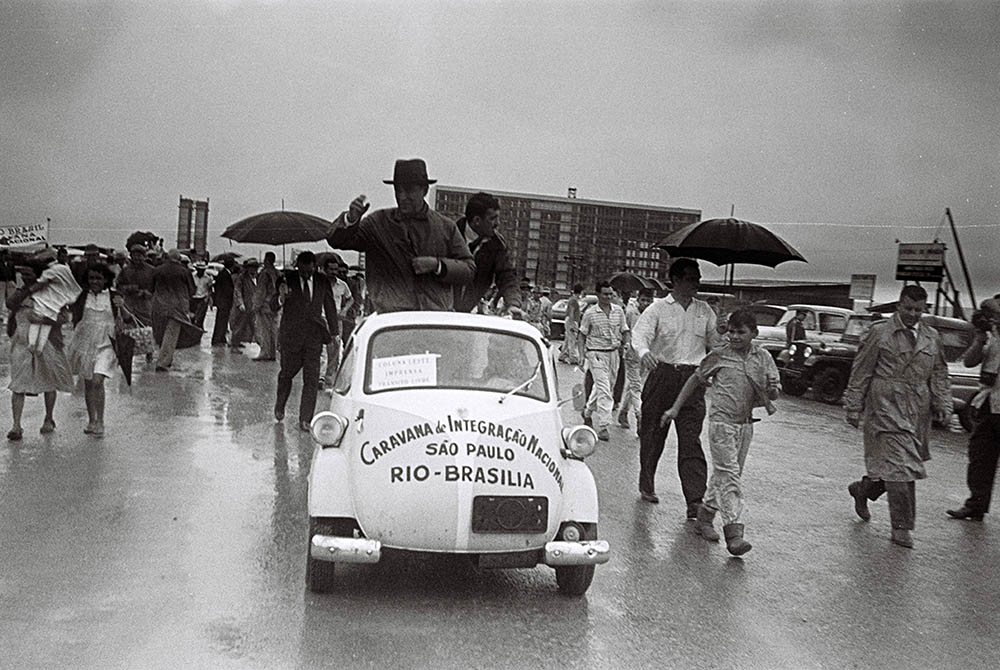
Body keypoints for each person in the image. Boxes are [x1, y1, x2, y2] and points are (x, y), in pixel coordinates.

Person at [660, 309, 780, 555]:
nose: (735, 337)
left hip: (745, 425)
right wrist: (675, 408)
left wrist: (772, 389)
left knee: (724, 476)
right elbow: (695, 379)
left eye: (741, 332)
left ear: (753, 334)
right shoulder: (720, 356)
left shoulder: (764, 357)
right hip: (721, 424)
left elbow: (774, 392)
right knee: (729, 475)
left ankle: (704, 516)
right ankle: (734, 532)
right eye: (732, 331)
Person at [844, 284, 952, 548]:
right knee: (901, 468)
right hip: (885, 406)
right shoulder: (880, 333)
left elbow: (938, 372)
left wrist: (942, 403)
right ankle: (901, 527)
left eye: (918, 309)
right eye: (908, 308)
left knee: (899, 467)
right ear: (898, 306)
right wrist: (853, 405)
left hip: (917, 411)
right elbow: (862, 370)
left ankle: (864, 489)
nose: (913, 314)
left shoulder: (931, 336)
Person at [326, 158, 475, 313]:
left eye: (409, 190)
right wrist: (351, 219)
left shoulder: (446, 227)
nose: (402, 196)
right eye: (398, 190)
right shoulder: (377, 223)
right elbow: (337, 241)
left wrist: (437, 265)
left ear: (424, 190)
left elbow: (469, 270)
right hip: (392, 321)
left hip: (433, 320)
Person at [631, 258, 717, 510]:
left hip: (692, 381)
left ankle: (695, 500)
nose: (696, 284)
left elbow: (716, 344)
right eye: (691, 278)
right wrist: (644, 352)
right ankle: (647, 482)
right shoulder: (658, 309)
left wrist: (722, 334)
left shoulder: (705, 311)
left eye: (698, 279)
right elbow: (640, 335)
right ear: (676, 280)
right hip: (662, 375)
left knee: (691, 440)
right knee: (653, 435)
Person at [5, 258, 74, 439]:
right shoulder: (22, 291)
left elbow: (64, 318)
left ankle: (49, 418)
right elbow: (10, 304)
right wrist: (29, 290)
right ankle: (16, 425)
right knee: (18, 383)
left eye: (29, 274)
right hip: (21, 340)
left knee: (48, 380)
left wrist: (44, 320)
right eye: (23, 274)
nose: (24, 277)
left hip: (48, 341)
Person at [946, 297, 1000, 522]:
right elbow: (969, 362)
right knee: (980, 457)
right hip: (989, 404)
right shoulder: (993, 337)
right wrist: (979, 338)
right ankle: (976, 505)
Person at [273, 251, 338, 432]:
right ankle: (280, 405)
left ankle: (305, 420)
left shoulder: (322, 281)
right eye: (303, 272)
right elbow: (272, 304)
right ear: (298, 267)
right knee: (286, 375)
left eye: (309, 272)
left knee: (311, 380)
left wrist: (334, 333)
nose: (306, 275)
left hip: (313, 338)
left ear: (314, 267)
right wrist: (281, 297)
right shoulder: (286, 279)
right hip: (291, 338)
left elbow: (330, 306)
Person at [67, 263, 121, 437]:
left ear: (106, 279)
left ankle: (101, 421)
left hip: (107, 344)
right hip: (85, 344)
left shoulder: (113, 296)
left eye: (99, 278)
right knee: (88, 382)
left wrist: (122, 306)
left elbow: (127, 318)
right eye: (91, 278)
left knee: (98, 380)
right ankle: (91, 420)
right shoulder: (82, 296)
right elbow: (71, 314)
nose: (95, 281)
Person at [453, 191, 522, 317]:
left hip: (466, 313)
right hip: (439, 310)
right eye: (492, 218)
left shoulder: (498, 245)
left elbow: (507, 276)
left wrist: (513, 303)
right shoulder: (448, 234)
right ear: (477, 220)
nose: (497, 223)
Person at [580, 280, 629, 442]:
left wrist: (627, 344)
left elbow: (624, 330)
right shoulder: (590, 313)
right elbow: (582, 334)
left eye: (611, 294)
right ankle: (603, 426)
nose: (608, 297)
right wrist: (582, 355)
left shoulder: (618, 311)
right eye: (605, 294)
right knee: (604, 389)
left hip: (614, 354)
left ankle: (587, 412)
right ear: (598, 295)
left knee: (607, 386)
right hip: (596, 353)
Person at [21, 249, 80, 353]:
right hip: (57, 303)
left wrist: (29, 291)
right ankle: (38, 346)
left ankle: (33, 344)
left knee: (37, 322)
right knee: (45, 324)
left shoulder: (51, 271)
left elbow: (41, 284)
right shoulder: (64, 269)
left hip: (50, 302)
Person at [150, 249, 195, 371]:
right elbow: (192, 290)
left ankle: (161, 357)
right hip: (178, 307)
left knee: (159, 333)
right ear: (179, 259)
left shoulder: (157, 270)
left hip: (159, 306)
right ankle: (163, 362)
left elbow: (151, 288)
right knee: (171, 334)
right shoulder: (184, 272)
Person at [617, 287, 655, 433]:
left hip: (646, 354)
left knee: (634, 385)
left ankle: (623, 411)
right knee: (636, 385)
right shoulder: (631, 313)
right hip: (632, 353)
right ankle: (640, 415)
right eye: (643, 300)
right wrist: (624, 345)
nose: (645, 303)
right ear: (638, 300)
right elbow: (624, 330)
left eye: (648, 301)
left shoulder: (652, 315)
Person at [322, 257, 354, 389]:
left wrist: (345, 310)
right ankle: (320, 376)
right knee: (322, 349)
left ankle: (329, 378)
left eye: (335, 269)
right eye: (331, 269)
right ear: (325, 270)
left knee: (334, 349)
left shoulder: (342, 285)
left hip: (336, 319)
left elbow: (350, 299)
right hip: (321, 318)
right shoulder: (320, 284)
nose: (334, 272)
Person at [252, 251, 279, 361]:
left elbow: (261, 291)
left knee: (264, 330)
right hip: (275, 305)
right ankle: (272, 352)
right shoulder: (277, 273)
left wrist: (256, 305)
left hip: (265, 305)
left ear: (266, 260)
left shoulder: (265, 273)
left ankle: (265, 352)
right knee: (273, 330)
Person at [230, 258, 258, 348]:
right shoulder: (242, 277)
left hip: (253, 305)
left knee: (254, 326)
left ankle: (242, 341)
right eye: (251, 267)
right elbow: (237, 291)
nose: (253, 269)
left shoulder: (258, 277)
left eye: (254, 267)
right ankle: (234, 345)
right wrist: (240, 303)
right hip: (244, 306)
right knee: (239, 325)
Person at [210, 258, 235, 346]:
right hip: (224, 301)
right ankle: (218, 339)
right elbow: (227, 289)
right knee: (222, 320)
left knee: (222, 320)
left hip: (221, 301)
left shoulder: (222, 273)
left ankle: (220, 338)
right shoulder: (225, 275)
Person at [559, 284, 584, 365]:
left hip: (570, 320)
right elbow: (571, 312)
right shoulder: (573, 300)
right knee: (572, 340)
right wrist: (573, 323)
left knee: (567, 339)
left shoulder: (573, 299)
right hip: (571, 321)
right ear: (580, 292)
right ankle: (572, 357)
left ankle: (563, 355)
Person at [190, 261, 214, 330]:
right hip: (194, 298)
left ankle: (199, 329)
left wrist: (208, 298)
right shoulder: (192, 276)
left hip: (203, 298)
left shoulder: (208, 278)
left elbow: (210, 289)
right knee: (192, 316)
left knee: (201, 316)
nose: (200, 271)